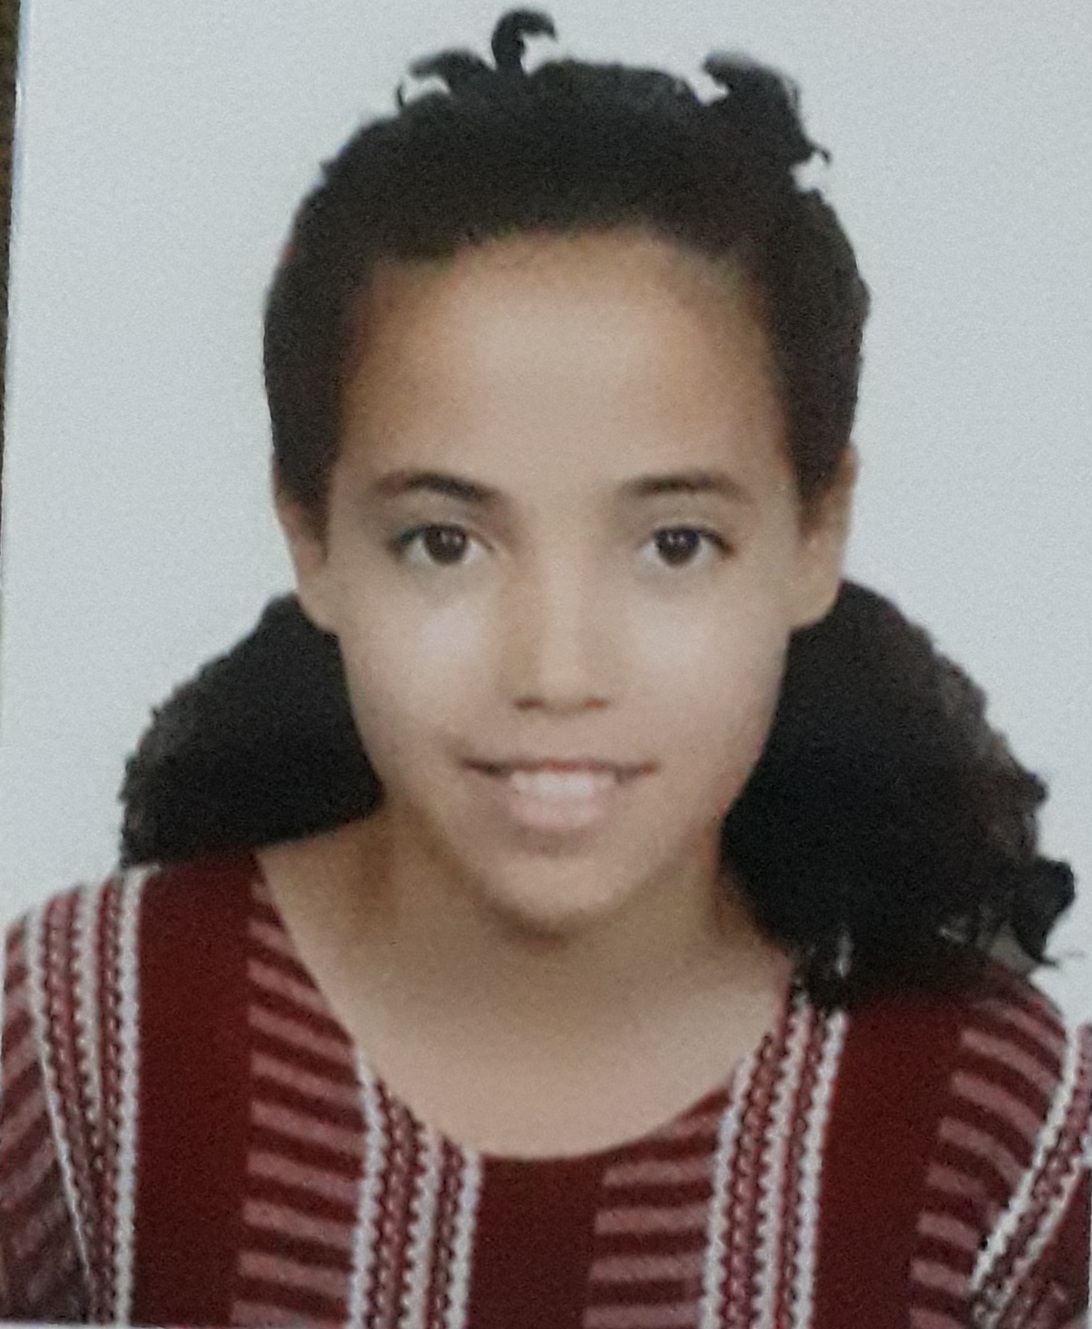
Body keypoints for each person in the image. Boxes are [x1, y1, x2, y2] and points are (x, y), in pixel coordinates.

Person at [1, 9, 1088, 1325]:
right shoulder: (80, 1034)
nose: (557, 670)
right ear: (312, 536)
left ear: (817, 534)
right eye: (445, 542)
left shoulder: (1007, 1122)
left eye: (675, 543)